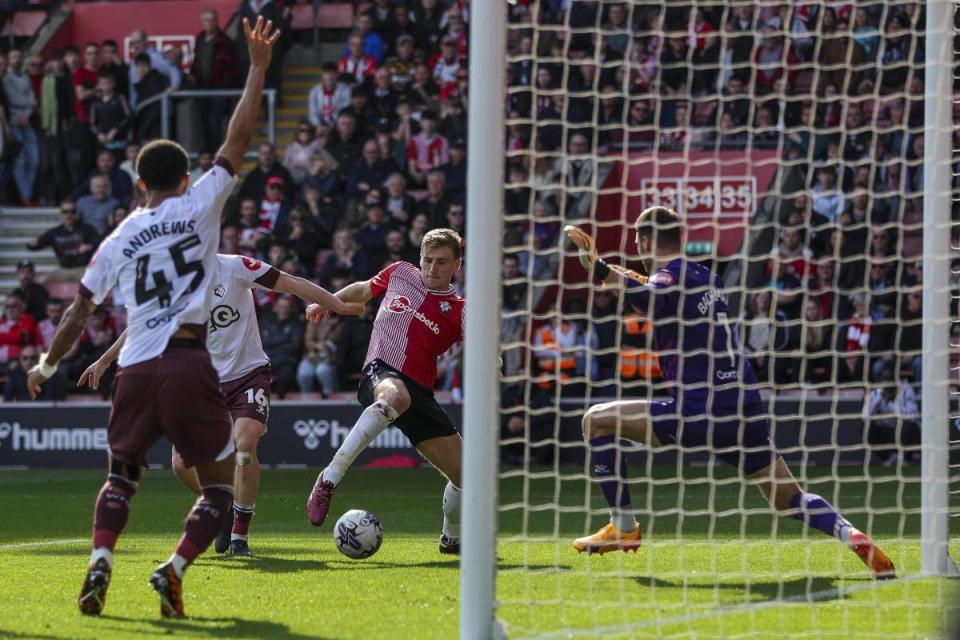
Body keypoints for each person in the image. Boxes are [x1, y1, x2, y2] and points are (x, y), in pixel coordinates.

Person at [26, 16, 280, 619]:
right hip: (192, 363)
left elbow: (78, 310)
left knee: (121, 478)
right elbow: (239, 140)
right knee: (220, 486)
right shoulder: (200, 203)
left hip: (134, 368)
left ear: (137, 182)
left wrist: (45, 362)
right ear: (186, 178)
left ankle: (101, 560)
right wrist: (259, 66)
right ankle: (174, 567)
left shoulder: (119, 237)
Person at [563, 206, 895, 579]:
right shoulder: (707, 277)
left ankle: (622, 526)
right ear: (682, 239)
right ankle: (850, 534)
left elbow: (652, 296)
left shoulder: (667, 281)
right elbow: (655, 287)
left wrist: (599, 268)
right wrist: (606, 267)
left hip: (700, 410)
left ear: (644, 241)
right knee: (790, 499)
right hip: (744, 406)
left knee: (596, 421)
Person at [81, 254, 362, 555]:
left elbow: (291, 283)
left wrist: (338, 304)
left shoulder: (235, 267)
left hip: (248, 374)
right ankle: (224, 504)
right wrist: (104, 360)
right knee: (180, 464)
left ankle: (240, 535)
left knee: (244, 446)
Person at [305, 228, 467, 555]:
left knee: (468, 476)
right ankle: (328, 479)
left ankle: (451, 537)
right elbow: (364, 291)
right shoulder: (400, 272)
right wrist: (328, 301)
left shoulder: (460, 309)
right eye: (427, 260)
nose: (432, 269)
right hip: (381, 370)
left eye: (441, 262)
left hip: (420, 392)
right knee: (396, 397)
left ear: (457, 265)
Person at [26, 199, 101, 283]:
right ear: (61, 214)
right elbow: (36, 245)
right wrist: (31, 244)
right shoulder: (55, 232)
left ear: (76, 214)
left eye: (72, 211)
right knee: (40, 281)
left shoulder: (86, 229)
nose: (69, 215)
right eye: (65, 212)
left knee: (91, 281)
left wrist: (90, 246)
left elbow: (101, 243)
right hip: (63, 270)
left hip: (82, 269)